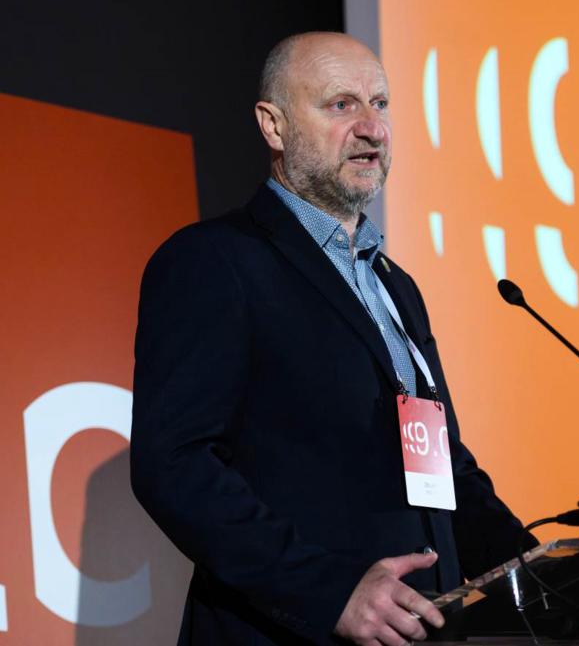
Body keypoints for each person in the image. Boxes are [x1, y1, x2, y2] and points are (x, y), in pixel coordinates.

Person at [131, 32, 532, 646]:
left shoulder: (397, 287)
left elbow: (443, 467)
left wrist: (552, 591)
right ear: (273, 126)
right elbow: (174, 465)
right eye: (342, 105)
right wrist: (329, 592)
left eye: (380, 103)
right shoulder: (215, 260)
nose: (371, 128)